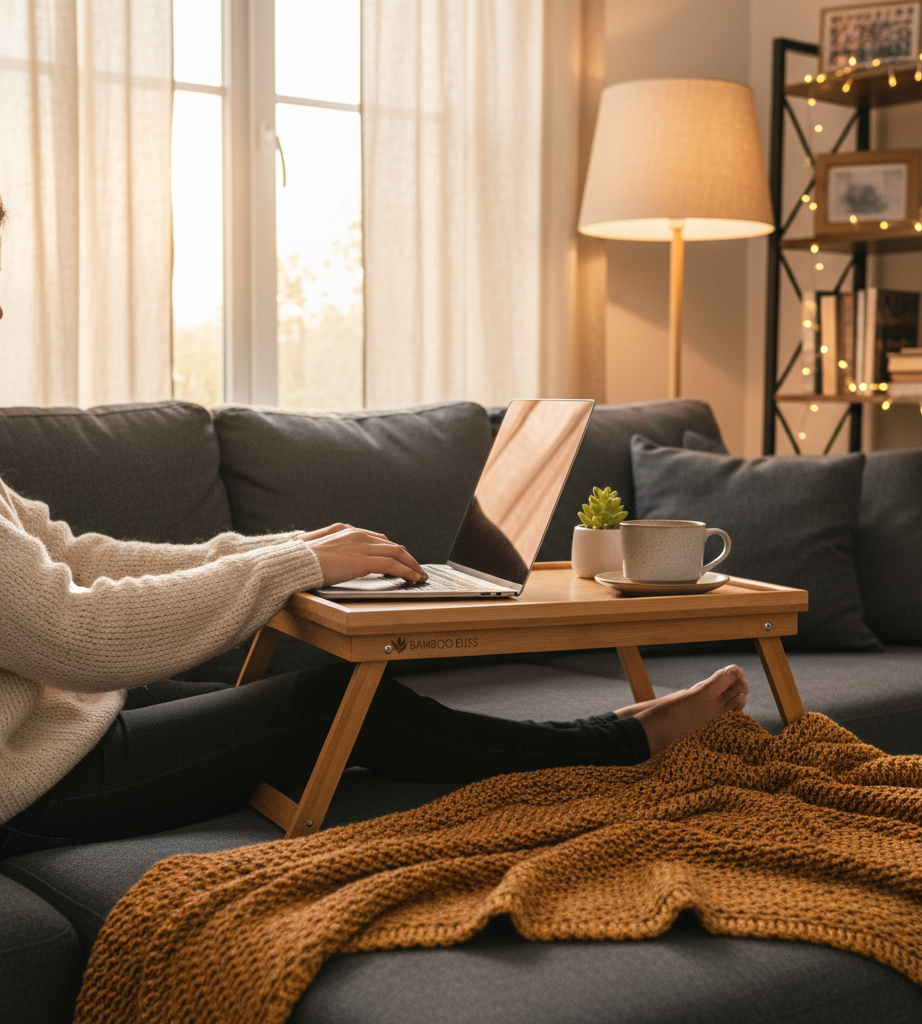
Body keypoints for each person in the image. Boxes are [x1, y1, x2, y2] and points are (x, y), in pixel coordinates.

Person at [0, 194, 748, 858]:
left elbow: (78, 557)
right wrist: (292, 568)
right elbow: (74, 632)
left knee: (336, 705)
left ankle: (608, 733)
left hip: (52, 730)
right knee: (327, 703)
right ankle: (621, 742)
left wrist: (296, 549)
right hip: (31, 792)